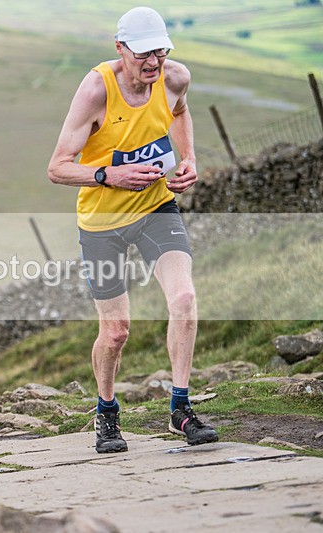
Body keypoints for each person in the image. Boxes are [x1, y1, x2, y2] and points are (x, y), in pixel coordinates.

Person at [47, 7, 218, 453]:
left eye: (159, 51)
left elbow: (180, 112)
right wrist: (108, 175)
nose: (153, 61)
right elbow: (57, 168)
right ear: (119, 48)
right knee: (117, 331)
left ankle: (180, 409)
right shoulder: (95, 91)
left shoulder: (175, 77)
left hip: (156, 207)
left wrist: (189, 160)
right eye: (143, 52)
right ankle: (106, 412)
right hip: (101, 223)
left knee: (183, 297)